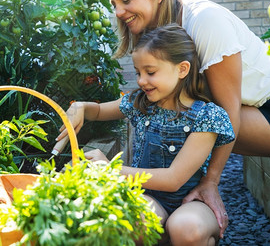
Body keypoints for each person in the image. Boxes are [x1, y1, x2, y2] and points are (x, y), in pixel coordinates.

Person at [100, 0, 270, 239]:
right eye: (115, 3)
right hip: (252, 111)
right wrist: (89, 108)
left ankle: (181, 203)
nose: (118, 12)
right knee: (169, 112)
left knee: (189, 120)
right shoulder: (163, 30)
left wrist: (211, 182)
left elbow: (225, 114)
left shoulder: (205, 21)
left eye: (126, 0)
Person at [57, 24, 235, 245]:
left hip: (191, 201)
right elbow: (99, 111)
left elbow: (174, 179)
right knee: (132, 219)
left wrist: (111, 170)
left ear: (182, 69)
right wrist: (81, 107)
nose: (141, 80)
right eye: (138, 72)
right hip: (148, 198)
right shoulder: (139, 103)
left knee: (186, 228)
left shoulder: (206, 116)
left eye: (150, 72)